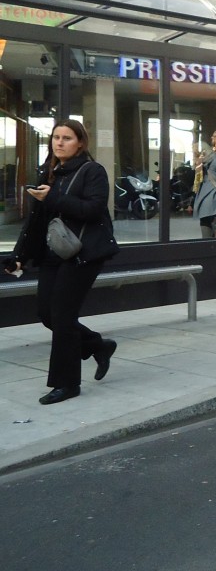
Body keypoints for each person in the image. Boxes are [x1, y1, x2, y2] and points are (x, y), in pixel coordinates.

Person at [4, 119, 120, 405]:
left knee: (64, 318)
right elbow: (36, 221)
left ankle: (67, 383)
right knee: (47, 314)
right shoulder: (50, 172)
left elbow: (93, 210)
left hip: (83, 254)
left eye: (67, 138)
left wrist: (53, 198)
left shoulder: (92, 171)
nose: (59, 142)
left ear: (80, 142)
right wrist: (20, 256)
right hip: (54, 254)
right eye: (56, 137)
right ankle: (97, 345)